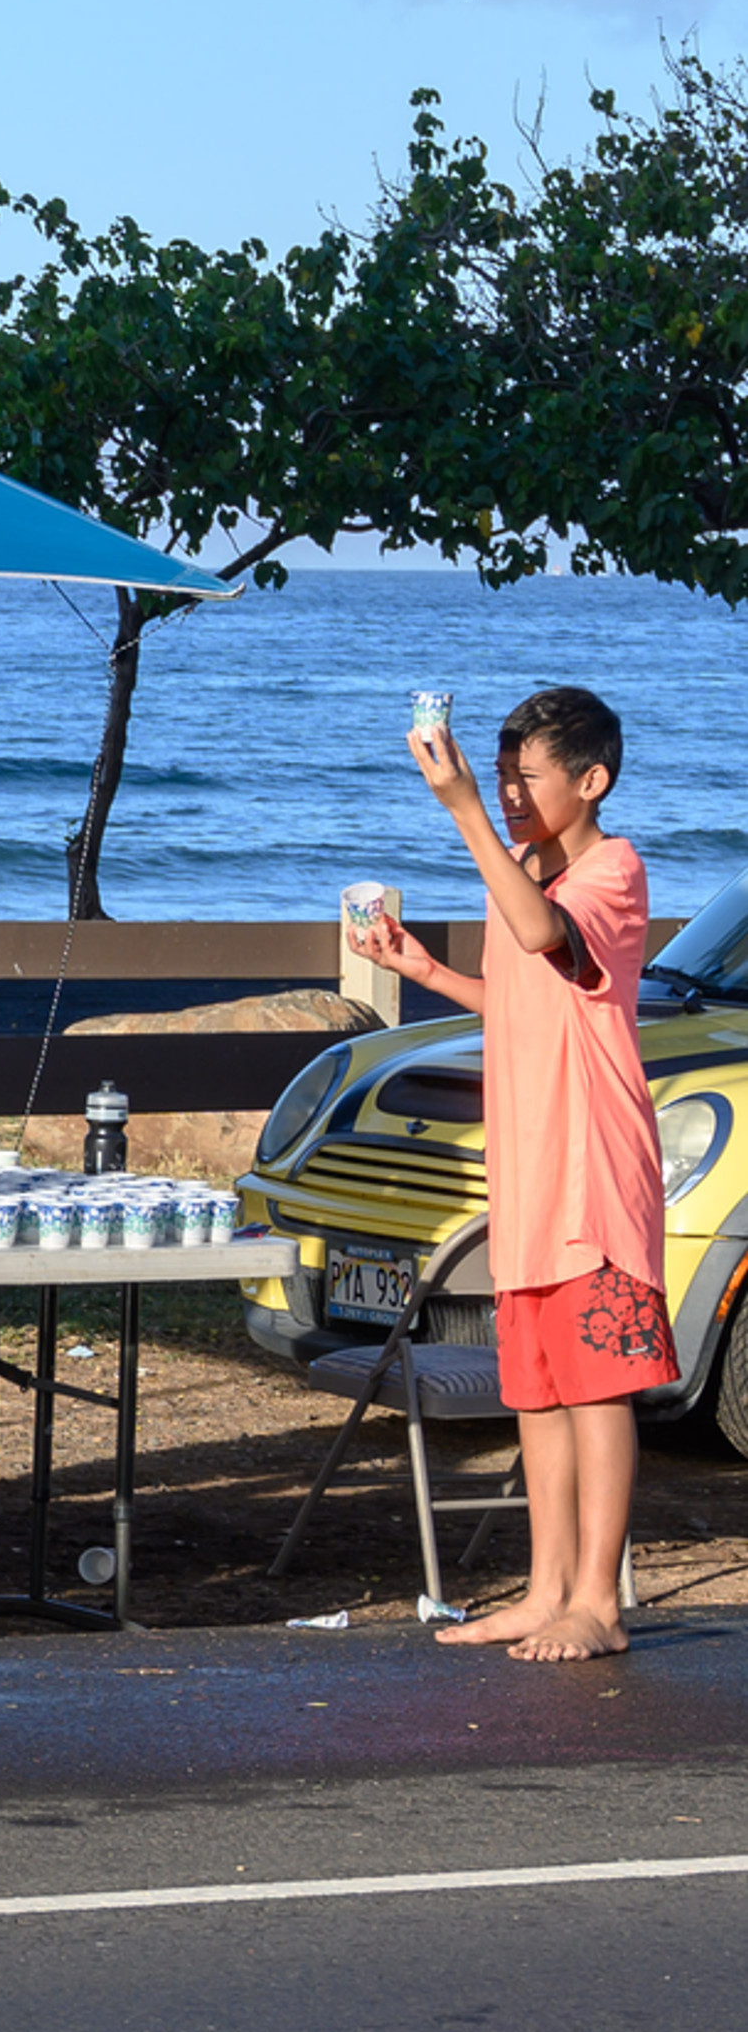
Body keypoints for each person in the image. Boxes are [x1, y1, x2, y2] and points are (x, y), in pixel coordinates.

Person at [347, 685, 664, 1663]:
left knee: (597, 1388)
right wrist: (426, 971)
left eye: (528, 779)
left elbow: (545, 938)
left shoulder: (611, 871)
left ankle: (599, 1604)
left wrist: (463, 812)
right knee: (538, 1390)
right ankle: (546, 1587)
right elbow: (522, 994)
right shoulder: (524, 868)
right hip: (528, 1168)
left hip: (594, 1169)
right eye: (501, 778)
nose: (511, 795)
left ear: (591, 778)